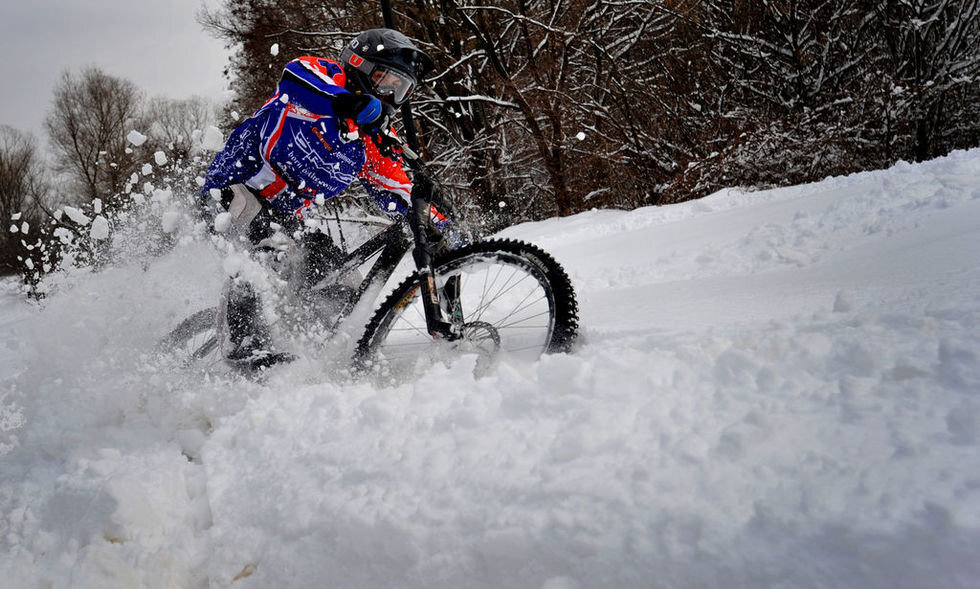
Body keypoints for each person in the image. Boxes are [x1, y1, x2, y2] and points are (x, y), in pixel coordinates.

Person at [200, 28, 447, 369]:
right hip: (233, 189)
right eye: (385, 80)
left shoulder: (370, 142)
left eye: (399, 89)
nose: (389, 95)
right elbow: (295, 80)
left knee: (340, 281)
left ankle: (312, 355)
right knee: (267, 247)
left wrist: (444, 229)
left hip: (287, 220)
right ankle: (244, 344)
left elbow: (399, 192)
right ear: (360, 65)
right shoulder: (324, 77)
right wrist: (348, 102)